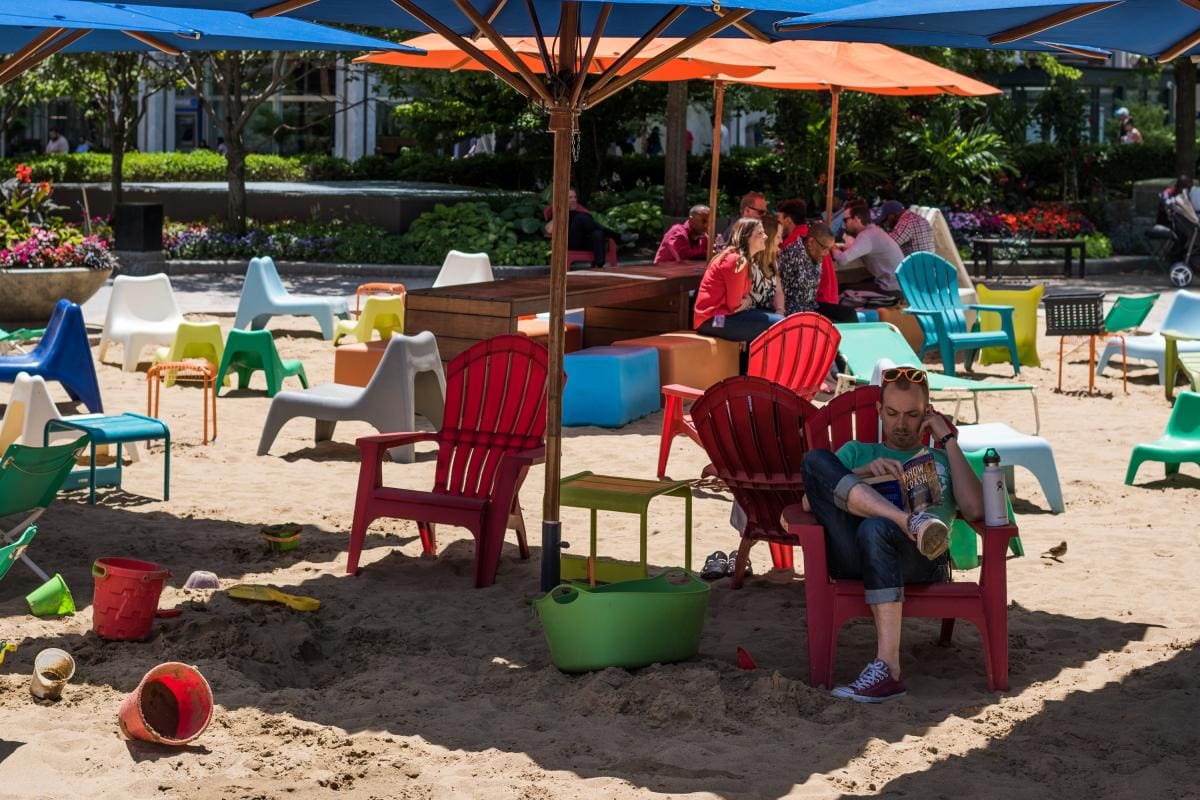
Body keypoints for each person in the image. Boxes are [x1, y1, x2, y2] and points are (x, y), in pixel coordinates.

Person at [800, 366, 984, 702]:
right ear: (879, 411)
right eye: (893, 413)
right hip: (853, 555)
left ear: (927, 414)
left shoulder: (942, 457)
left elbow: (975, 510)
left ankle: (888, 669)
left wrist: (948, 440)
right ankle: (905, 519)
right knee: (815, 460)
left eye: (912, 415)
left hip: (921, 561)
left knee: (875, 527)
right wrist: (863, 473)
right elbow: (808, 501)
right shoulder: (857, 453)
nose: (901, 425)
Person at [692, 217, 782, 366]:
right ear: (747, 237)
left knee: (775, 322)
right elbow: (735, 305)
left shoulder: (743, 259)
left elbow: (740, 303)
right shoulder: (736, 260)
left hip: (723, 317)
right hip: (712, 321)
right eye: (760, 233)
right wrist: (747, 303)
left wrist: (747, 302)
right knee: (777, 323)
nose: (765, 236)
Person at [833, 203, 904, 293]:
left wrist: (832, 247)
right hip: (898, 285)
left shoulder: (866, 235)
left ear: (856, 219)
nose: (844, 224)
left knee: (840, 289)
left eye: (845, 220)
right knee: (851, 284)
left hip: (891, 288)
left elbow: (842, 260)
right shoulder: (874, 231)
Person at [544, 188, 619, 269]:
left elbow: (591, 227)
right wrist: (562, 212)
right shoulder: (558, 212)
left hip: (585, 242)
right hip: (568, 243)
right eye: (570, 198)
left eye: (575, 197)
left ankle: (599, 265)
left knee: (597, 233)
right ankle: (616, 236)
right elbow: (549, 230)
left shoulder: (582, 212)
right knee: (580, 218)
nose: (573, 200)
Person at [750, 214, 781, 313]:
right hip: (745, 315)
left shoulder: (772, 261)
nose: (781, 240)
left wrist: (780, 310)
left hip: (766, 314)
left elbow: (779, 292)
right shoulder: (748, 262)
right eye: (778, 237)